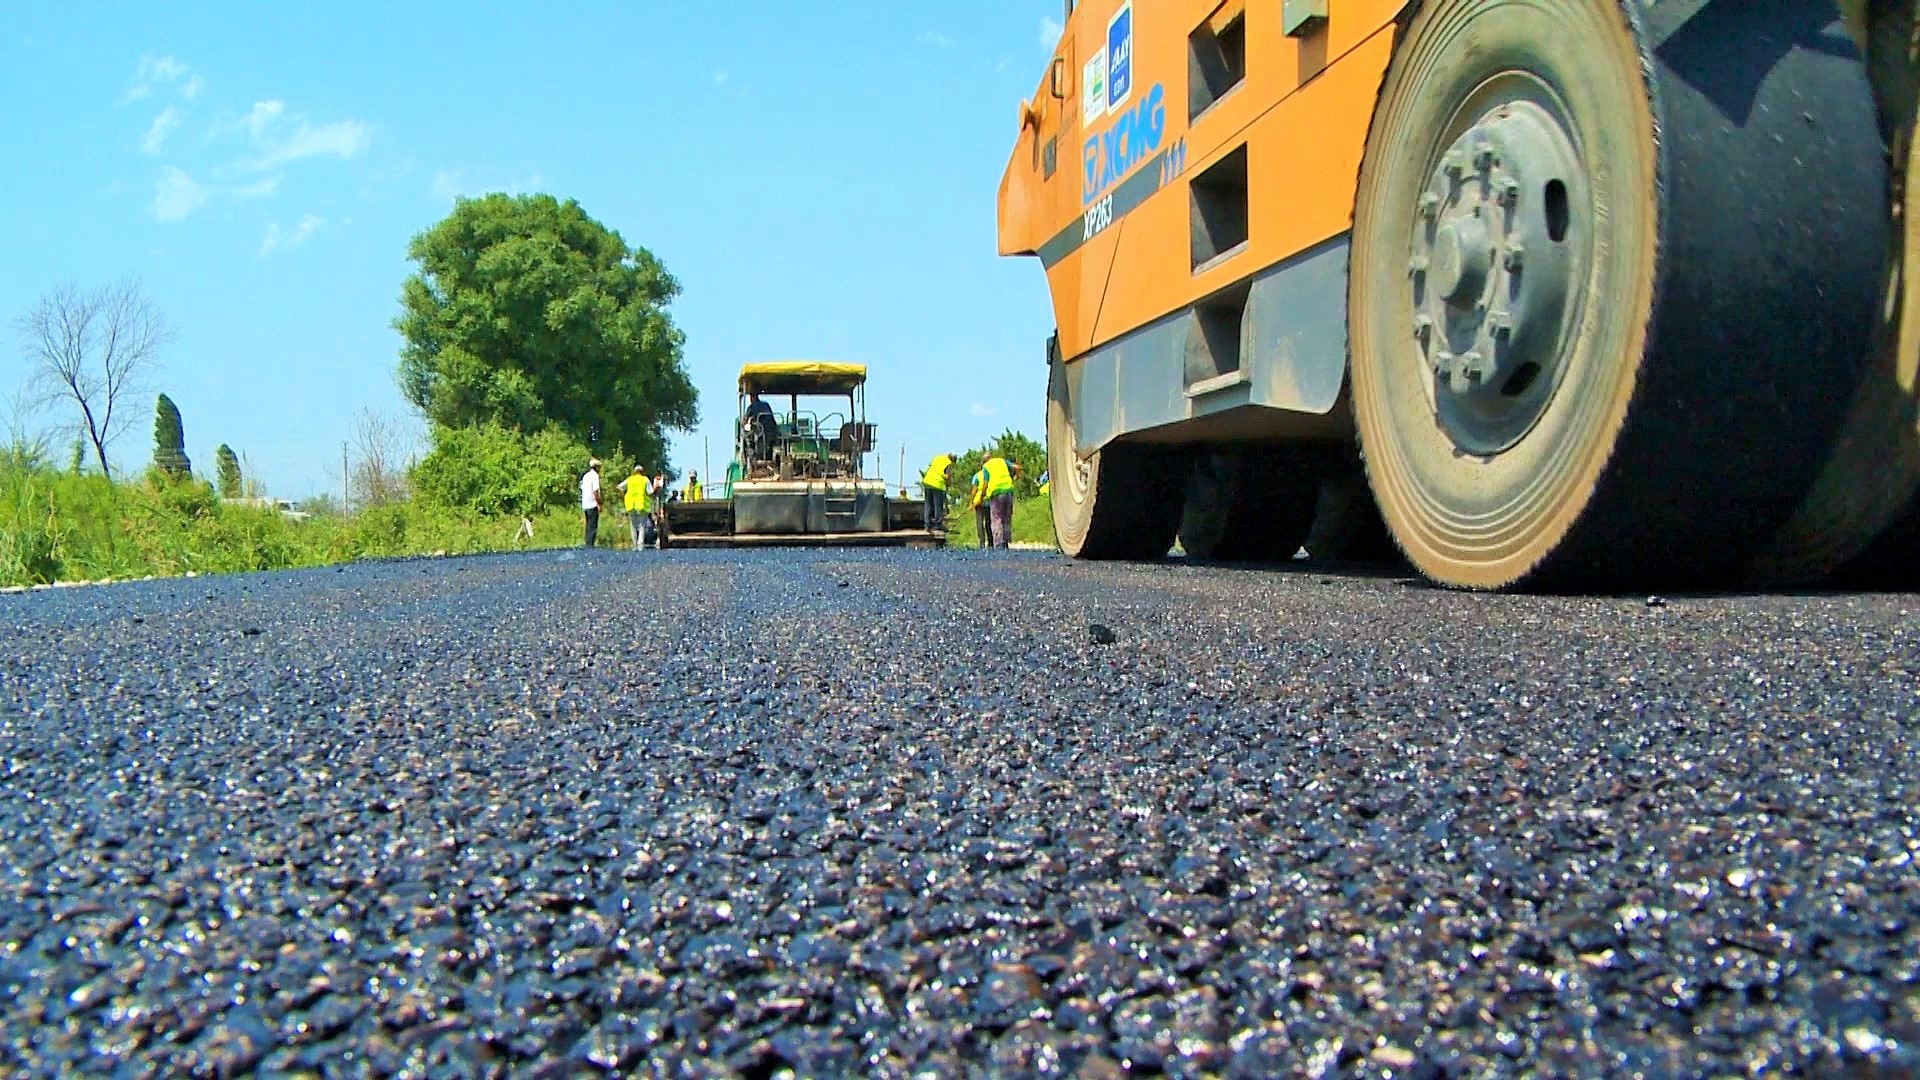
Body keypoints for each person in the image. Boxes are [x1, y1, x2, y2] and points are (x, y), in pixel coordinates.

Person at [981, 453, 1018, 548]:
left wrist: (982, 495)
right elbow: (1016, 467)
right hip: (1008, 491)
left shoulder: (986, 467)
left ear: (984, 461)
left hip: (996, 493)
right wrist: (1016, 477)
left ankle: (998, 543)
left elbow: (985, 483)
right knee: (1007, 518)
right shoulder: (1001, 461)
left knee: (996, 518)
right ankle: (1006, 542)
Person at [618, 464, 651, 551]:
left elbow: (619, 487)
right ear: (642, 471)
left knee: (633, 526)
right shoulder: (645, 479)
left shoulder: (630, 479)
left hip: (631, 505)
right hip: (641, 506)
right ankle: (640, 546)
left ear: (635, 471)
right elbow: (650, 492)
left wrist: (624, 495)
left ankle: (634, 545)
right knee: (641, 527)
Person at [921, 452, 955, 531]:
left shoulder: (937, 458)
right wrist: (949, 483)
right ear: (952, 460)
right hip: (937, 484)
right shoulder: (948, 463)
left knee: (928, 504)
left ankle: (927, 525)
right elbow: (947, 475)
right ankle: (937, 525)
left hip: (927, 481)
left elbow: (930, 467)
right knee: (938, 505)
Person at [579, 458, 602, 548]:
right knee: (593, 526)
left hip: (585, 503)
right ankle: (590, 545)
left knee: (588, 525)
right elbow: (595, 491)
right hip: (593, 503)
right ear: (596, 467)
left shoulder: (586, 476)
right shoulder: (595, 476)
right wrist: (599, 503)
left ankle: (587, 543)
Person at [970, 468, 990, 549]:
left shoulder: (977, 475)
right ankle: (991, 541)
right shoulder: (990, 474)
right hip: (988, 500)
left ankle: (982, 542)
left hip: (978, 501)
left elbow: (974, 490)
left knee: (979, 522)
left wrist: (971, 501)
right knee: (989, 522)